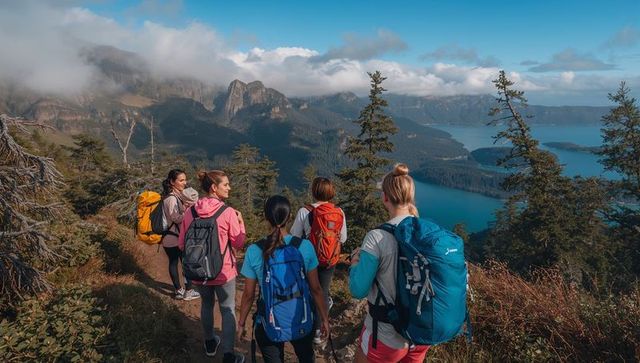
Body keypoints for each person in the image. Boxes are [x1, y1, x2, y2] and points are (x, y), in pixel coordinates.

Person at [349, 164, 430, 363]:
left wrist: (354, 264)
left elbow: (358, 290)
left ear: (385, 197)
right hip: (420, 333)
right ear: (410, 196)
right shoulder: (427, 234)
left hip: (386, 335)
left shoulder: (377, 237)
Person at [237, 195, 330, 363]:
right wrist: (324, 318)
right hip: (300, 316)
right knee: (306, 357)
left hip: (268, 321)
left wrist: (242, 323)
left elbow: (249, 295)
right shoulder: (305, 247)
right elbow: (316, 289)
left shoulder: (254, 250)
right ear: (289, 217)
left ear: (266, 217)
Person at [178, 170, 246, 363]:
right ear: (214, 188)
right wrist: (241, 223)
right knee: (227, 309)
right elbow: (239, 243)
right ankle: (228, 355)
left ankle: (209, 344)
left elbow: (182, 244)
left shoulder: (190, 212)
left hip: (198, 270)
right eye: (226, 184)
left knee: (206, 305)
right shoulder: (228, 212)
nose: (229, 187)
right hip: (223, 271)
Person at [290, 177, 346, 344]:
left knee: (308, 290)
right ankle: (318, 331)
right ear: (331, 192)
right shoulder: (339, 212)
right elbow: (342, 238)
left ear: (314, 192)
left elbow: (294, 237)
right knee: (323, 291)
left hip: (309, 259)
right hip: (330, 259)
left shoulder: (304, 211)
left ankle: (303, 324)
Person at [161, 169, 200, 301]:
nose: (185, 182)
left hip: (169, 237)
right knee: (185, 263)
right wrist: (189, 212)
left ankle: (179, 291)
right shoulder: (172, 198)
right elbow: (176, 218)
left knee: (174, 263)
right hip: (174, 236)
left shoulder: (172, 197)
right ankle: (187, 291)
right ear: (172, 182)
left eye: (185, 179)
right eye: (181, 180)